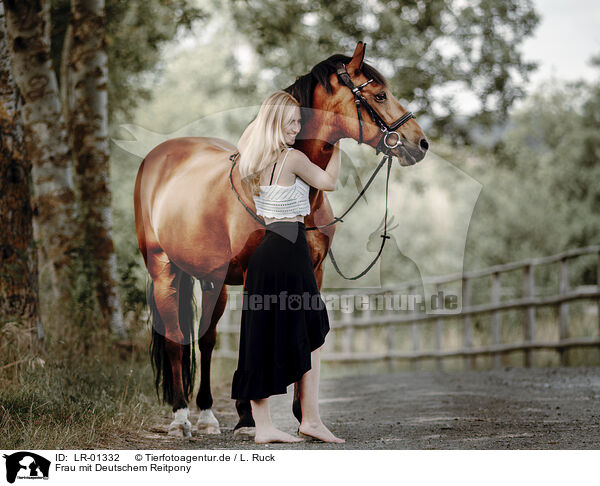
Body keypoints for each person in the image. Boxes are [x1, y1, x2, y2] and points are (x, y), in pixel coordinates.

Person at [232, 90, 344, 444]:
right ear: (276, 123)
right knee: (312, 329)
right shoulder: (292, 158)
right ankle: (309, 419)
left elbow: (248, 135)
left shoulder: (253, 159)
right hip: (290, 248)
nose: (296, 128)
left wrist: (266, 120)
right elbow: (328, 182)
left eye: (298, 121)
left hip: (268, 251)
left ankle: (266, 426)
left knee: (260, 334)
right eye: (291, 122)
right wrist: (337, 147)